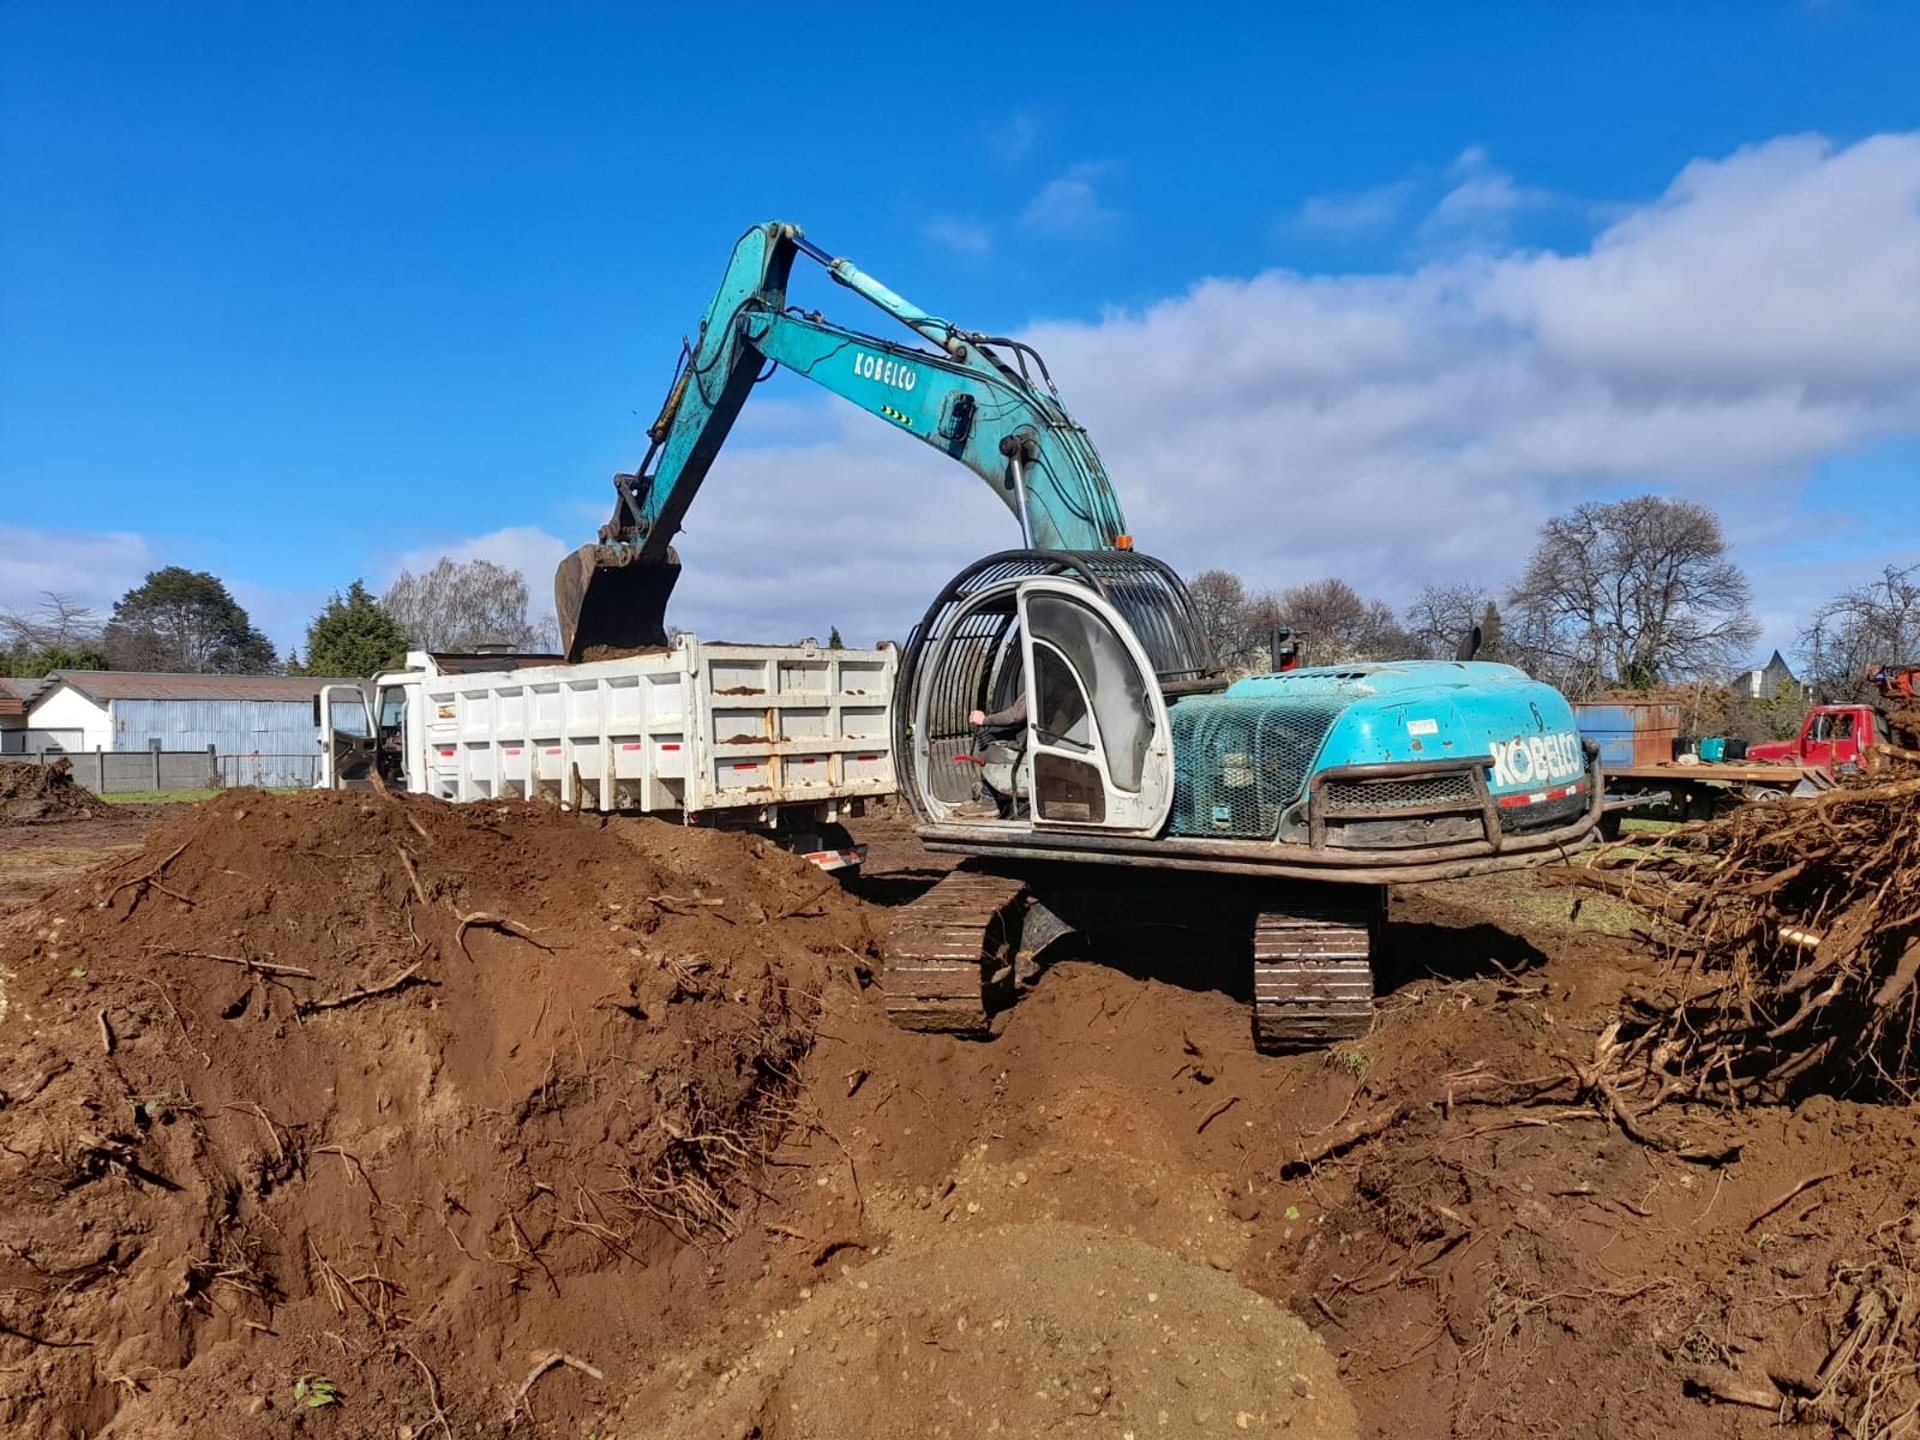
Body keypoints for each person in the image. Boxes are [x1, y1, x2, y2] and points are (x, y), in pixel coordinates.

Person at [951, 694, 1028, 818]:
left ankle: (989, 799)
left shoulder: (1038, 685)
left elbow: (1016, 716)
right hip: (1045, 741)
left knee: (989, 752)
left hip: (1029, 747)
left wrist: (985, 720)